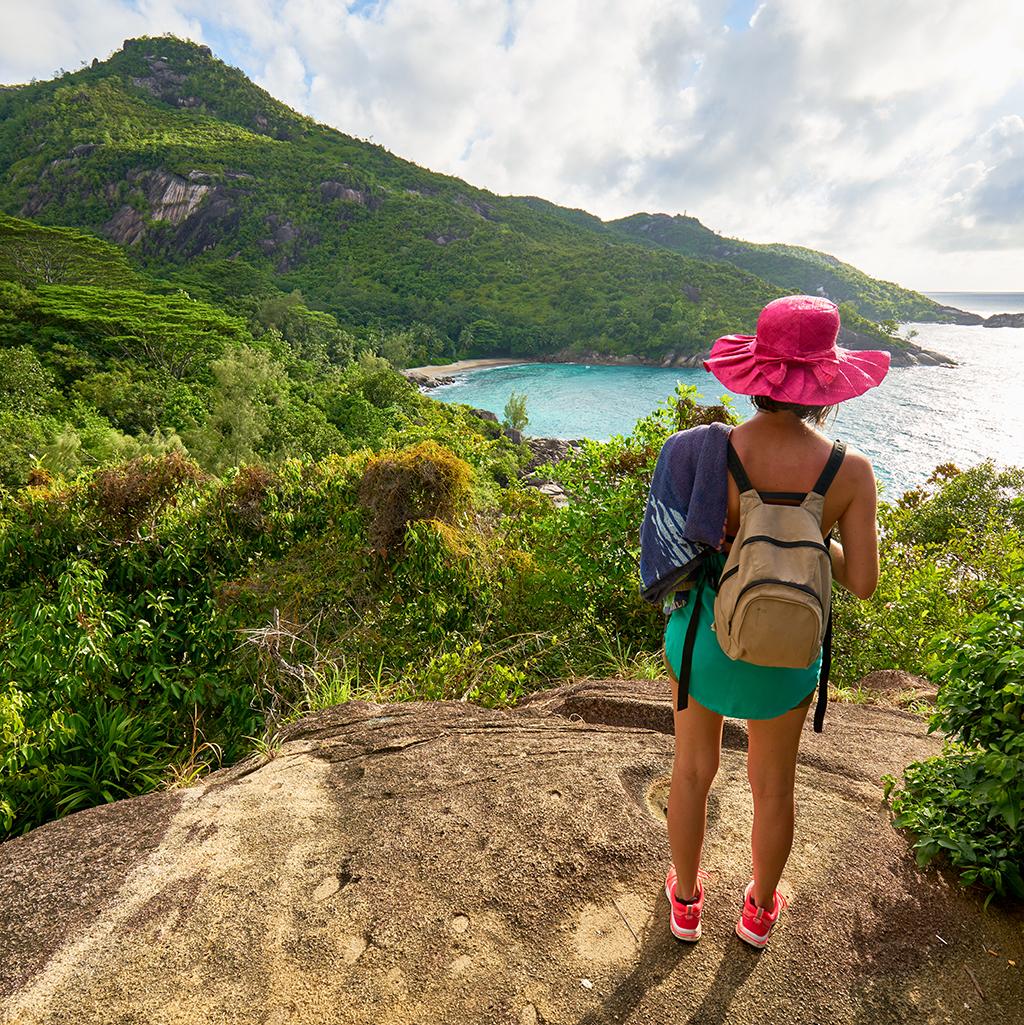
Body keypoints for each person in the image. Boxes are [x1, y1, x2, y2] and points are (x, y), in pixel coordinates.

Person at [656, 295, 891, 948]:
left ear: (758, 375)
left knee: (692, 770)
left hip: (705, 640)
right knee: (773, 787)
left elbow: (682, 545)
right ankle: (759, 910)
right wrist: (809, 529)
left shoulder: (712, 453)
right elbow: (864, 582)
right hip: (787, 656)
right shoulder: (854, 471)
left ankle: (685, 901)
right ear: (826, 384)